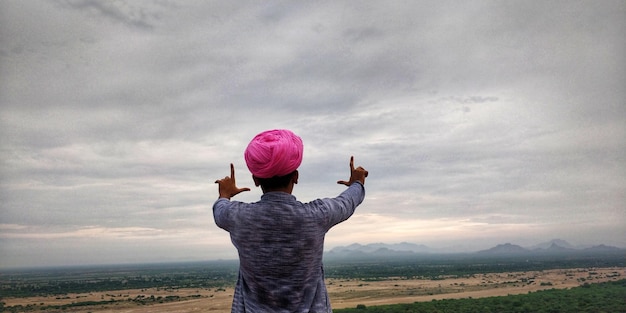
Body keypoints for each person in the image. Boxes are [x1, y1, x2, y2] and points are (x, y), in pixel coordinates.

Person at [213, 129, 368, 313]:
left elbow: (219, 210)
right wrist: (357, 182)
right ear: (296, 177)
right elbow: (346, 203)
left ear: (255, 180)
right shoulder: (316, 215)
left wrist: (225, 194)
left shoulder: (239, 217)